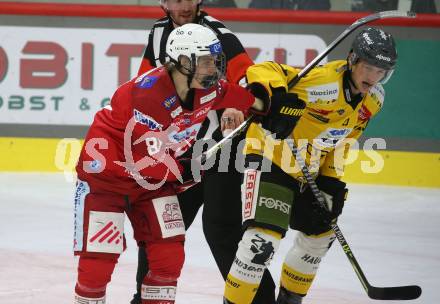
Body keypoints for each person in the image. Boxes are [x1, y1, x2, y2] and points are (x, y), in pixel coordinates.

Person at [72, 23, 270, 304]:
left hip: (153, 181)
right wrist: (183, 170)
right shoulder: (146, 96)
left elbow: (233, 95)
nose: (213, 68)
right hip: (107, 177)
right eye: (206, 62)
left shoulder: (203, 87)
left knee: (168, 257)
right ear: (183, 62)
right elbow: (142, 157)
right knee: (98, 261)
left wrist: (266, 105)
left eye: (215, 61)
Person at [223, 27, 398, 304]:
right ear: (352, 59)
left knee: (319, 235)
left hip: (310, 171)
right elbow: (264, 70)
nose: (373, 77)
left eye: (381, 71)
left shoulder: (374, 100)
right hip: (271, 158)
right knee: (261, 243)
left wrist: (331, 181)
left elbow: (342, 140)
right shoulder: (321, 82)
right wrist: (277, 97)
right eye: (368, 67)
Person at [133, 1, 277, 303]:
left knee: (221, 230)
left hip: (221, 149)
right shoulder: (159, 32)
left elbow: (246, 79)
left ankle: (259, 300)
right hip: (179, 155)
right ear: (163, 2)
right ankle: (146, 298)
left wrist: (235, 105)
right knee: (161, 231)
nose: (183, 5)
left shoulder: (219, 34)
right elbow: (144, 87)